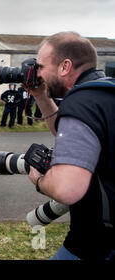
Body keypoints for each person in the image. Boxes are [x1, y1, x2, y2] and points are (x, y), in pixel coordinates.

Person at [26, 32, 114, 260]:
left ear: (65, 67)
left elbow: (67, 189)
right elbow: (78, 136)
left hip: (95, 243)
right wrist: (41, 97)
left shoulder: (81, 103)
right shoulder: (104, 94)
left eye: (42, 67)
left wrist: (39, 180)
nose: (39, 74)